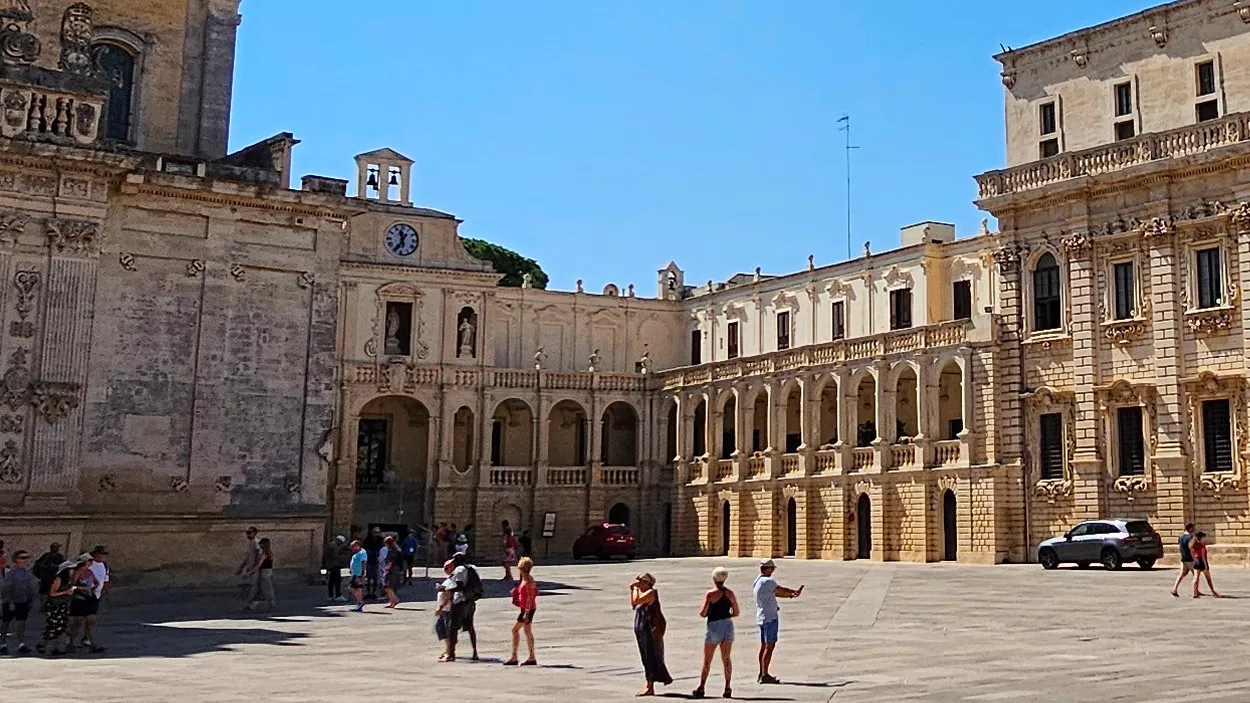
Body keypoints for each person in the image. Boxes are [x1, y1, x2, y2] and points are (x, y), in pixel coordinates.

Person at [753, 559, 803, 685]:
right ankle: (765, 675)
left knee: (764, 645)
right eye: (772, 568)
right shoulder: (768, 581)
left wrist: (790, 595)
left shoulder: (758, 580)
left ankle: (762, 672)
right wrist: (793, 592)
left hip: (761, 616)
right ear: (768, 568)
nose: (773, 571)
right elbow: (780, 589)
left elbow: (776, 593)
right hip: (770, 617)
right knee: (769, 646)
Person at [694, 567, 739, 699]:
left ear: (714, 578)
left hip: (714, 626)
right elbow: (736, 612)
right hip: (728, 625)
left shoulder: (710, 594)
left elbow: (702, 613)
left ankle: (702, 687)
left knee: (707, 659)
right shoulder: (730, 593)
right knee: (726, 658)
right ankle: (727, 687)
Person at [630, 572, 672, 696]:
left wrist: (635, 588)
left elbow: (637, 599)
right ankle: (650, 683)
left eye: (642, 581)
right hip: (641, 628)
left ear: (648, 583)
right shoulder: (641, 592)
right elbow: (634, 603)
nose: (639, 583)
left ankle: (650, 685)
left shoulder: (651, 593)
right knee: (645, 655)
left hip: (650, 629)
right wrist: (632, 589)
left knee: (651, 655)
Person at [437, 552, 479, 662]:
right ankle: (475, 652)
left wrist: (447, 589)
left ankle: (452, 654)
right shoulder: (472, 568)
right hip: (471, 601)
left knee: (452, 628)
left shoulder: (459, 570)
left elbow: (459, 586)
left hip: (460, 601)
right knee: (470, 627)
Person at [42, 559, 85, 657]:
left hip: (63, 605)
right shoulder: (59, 579)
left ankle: (59, 647)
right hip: (54, 606)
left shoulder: (69, 580)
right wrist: (65, 592)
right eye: (71, 569)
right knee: (53, 627)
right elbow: (52, 593)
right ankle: (49, 648)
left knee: (62, 626)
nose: (72, 571)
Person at [0, 550, 37, 655]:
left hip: (23, 601)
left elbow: (30, 586)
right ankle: (2, 644)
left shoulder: (27, 571)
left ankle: (21, 644)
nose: (24, 560)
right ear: (16, 560)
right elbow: (6, 588)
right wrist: (10, 601)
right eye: (22, 558)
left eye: (26, 558)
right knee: (6, 623)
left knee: (21, 623)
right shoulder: (11, 573)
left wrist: (30, 599)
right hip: (11, 601)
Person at [504, 556, 538, 666]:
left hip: (527, 609)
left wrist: (527, 613)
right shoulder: (525, 579)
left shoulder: (528, 580)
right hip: (527, 608)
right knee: (527, 632)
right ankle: (531, 656)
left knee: (515, 630)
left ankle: (515, 657)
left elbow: (530, 596)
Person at [79, 546, 109, 653]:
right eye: (99, 554)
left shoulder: (105, 565)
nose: (101, 556)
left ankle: (87, 638)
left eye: (103, 554)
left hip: (96, 596)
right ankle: (72, 640)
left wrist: (105, 590)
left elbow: (105, 579)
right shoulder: (89, 564)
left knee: (90, 619)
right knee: (79, 619)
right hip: (84, 595)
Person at [245, 538, 276, 611]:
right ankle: (255, 604)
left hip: (264, 572)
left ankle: (269, 603)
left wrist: (249, 573)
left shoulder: (264, 554)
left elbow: (258, 565)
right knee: (267, 588)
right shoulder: (270, 553)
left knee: (264, 588)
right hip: (268, 571)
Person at [32, 543, 64, 607]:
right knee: (45, 594)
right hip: (47, 579)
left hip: (56, 579)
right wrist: (50, 566)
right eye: (56, 547)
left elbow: (62, 564)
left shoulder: (60, 556)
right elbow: (39, 565)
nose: (57, 549)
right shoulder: (47, 556)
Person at [1192, 531, 1221, 598]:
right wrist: (1205, 565)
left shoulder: (1194, 544)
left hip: (1196, 561)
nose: (1205, 539)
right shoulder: (1202, 545)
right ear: (1201, 538)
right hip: (1202, 561)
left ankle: (1195, 592)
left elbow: (1192, 554)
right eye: (1204, 537)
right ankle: (1213, 591)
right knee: (1208, 578)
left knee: (1196, 578)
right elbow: (1203, 556)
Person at [1171, 522, 1196, 598]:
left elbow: (1180, 547)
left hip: (1183, 558)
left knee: (1182, 574)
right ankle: (1196, 592)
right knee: (1196, 575)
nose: (1194, 529)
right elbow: (1191, 549)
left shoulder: (1180, 537)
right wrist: (1195, 559)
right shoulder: (1190, 538)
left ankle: (1174, 589)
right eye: (1193, 528)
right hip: (1190, 559)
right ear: (1190, 528)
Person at [235, 526, 261, 598]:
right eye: (247, 532)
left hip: (256, 571)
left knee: (254, 590)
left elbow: (258, 559)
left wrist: (251, 571)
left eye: (249, 532)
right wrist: (241, 567)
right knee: (253, 590)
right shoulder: (250, 543)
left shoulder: (257, 543)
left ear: (255, 533)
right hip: (251, 570)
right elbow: (248, 557)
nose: (247, 534)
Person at [383, 535, 405, 608]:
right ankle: (392, 602)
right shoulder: (397, 549)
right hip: (397, 569)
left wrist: (387, 569)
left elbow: (391, 561)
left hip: (393, 569)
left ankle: (395, 599)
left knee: (387, 586)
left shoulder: (393, 551)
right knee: (392, 587)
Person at [324, 536, 347, 603]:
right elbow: (336, 555)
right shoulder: (333, 546)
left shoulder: (330, 545)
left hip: (331, 565)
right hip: (334, 565)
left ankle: (330, 596)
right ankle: (338, 595)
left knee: (331, 581)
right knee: (337, 580)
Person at [363, 526, 384, 600]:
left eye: (377, 533)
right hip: (369, 560)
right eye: (375, 532)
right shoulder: (368, 539)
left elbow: (382, 548)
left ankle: (374, 592)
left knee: (375, 578)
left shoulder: (381, 540)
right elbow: (364, 548)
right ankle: (368, 592)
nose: (376, 534)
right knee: (368, 577)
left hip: (376, 560)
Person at [347, 540, 367, 612]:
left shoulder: (362, 553)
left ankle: (360, 602)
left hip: (358, 573)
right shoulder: (357, 553)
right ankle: (359, 602)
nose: (352, 548)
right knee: (355, 588)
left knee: (354, 588)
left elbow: (363, 562)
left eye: (353, 547)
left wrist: (362, 573)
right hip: (355, 573)